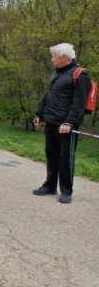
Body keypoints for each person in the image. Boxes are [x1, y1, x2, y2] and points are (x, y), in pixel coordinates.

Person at [33, 43, 92, 204]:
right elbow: (49, 96)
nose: (52, 59)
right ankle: (50, 185)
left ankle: (66, 191)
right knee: (51, 154)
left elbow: (80, 103)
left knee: (65, 158)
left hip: (66, 126)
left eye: (53, 57)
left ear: (63, 58)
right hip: (51, 122)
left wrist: (69, 122)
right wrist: (40, 114)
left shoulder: (80, 75)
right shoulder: (57, 73)